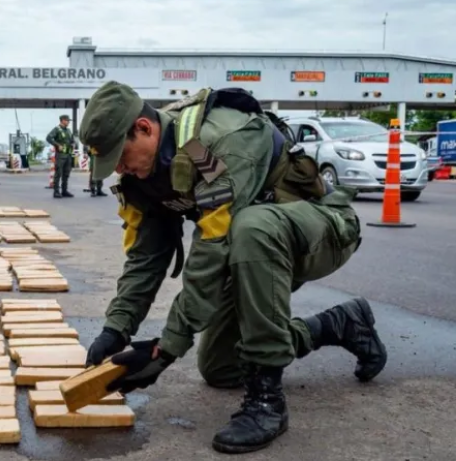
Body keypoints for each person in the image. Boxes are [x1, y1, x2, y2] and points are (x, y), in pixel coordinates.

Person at [78, 81, 387, 454]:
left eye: (121, 157)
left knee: (251, 228)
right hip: (253, 250)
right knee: (221, 368)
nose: (121, 170)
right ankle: (340, 324)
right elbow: (145, 257)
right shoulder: (143, 175)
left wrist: (168, 346)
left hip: (319, 232)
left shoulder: (213, 144)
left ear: (144, 128)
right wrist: (117, 328)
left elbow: (213, 245)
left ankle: (267, 402)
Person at [46, 114, 75, 198]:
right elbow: (49, 138)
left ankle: (64, 191)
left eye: (69, 121)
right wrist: (57, 145)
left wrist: (73, 143)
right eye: (67, 120)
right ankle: (56, 192)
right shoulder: (57, 130)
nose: (68, 122)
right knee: (58, 173)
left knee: (66, 174)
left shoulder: (68, 131)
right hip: (61, 155)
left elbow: (72, 140)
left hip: (68, 155)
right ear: (62, 120)